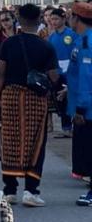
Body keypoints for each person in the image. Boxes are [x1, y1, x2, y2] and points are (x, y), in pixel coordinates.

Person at [0, 4, 59, 206]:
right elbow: (53, 76)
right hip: (35, 98)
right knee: (36, 141)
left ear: (19, 20)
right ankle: (31, 190)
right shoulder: (46, 46)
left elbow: (1, 74)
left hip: (11, 96)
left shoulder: (8, 44)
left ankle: (10, 190)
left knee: (9, 141)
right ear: (39, 20)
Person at [67, 2, 92, 205]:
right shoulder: (81, 40)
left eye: (71, 15)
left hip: (88, 108)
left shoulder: (86, 43)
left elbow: (87, 78)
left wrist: (81, 109)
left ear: (77, 18)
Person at [47, 7, 77, 138]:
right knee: (61, 100)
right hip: (57, 73)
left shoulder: (72, 34)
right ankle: (66, 127)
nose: (53, 21)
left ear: (64, 19)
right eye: (52, 19)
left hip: (70, 72)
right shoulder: (51, 37)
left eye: (56, 19)